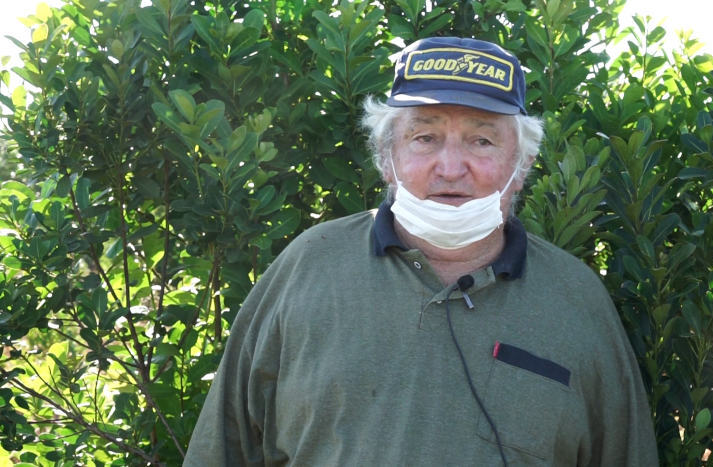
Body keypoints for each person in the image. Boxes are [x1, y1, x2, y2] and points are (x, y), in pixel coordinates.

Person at [184, 36, 658, 466]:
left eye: (482, 140)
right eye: (425, 138)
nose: (450, 168)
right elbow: (222, 448)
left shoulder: (576, 299)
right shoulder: (307, 267)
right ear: (385, 157)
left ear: (521, 165)